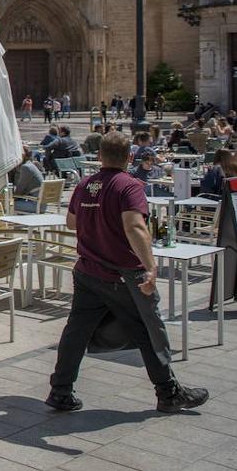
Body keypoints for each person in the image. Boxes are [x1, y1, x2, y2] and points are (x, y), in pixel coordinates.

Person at [46, 131, 208, 413]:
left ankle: (60, 390)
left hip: (87, 270)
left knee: (76, 331)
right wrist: (150, 266)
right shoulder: (129, 186)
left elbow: (72, 222)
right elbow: (134, 226)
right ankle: (168, 393)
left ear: (99, 156)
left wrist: (95, 220)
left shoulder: (85, 184)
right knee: (147, 328)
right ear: (129, 157)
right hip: (122, 274)